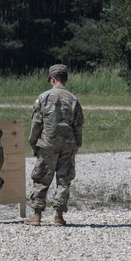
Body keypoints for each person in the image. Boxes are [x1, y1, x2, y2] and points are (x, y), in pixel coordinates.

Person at [25, 64, 85, 226]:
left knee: (41, 178)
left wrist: (34, 144)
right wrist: (76, 145)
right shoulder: (73, 99)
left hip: (47, 143)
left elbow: (36, 124)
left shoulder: (43, 97)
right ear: (65, 79)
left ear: (52, 80)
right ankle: (59, 215)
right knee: (64, 180)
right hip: (68, 144)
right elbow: (78, 126)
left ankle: (37, 215)